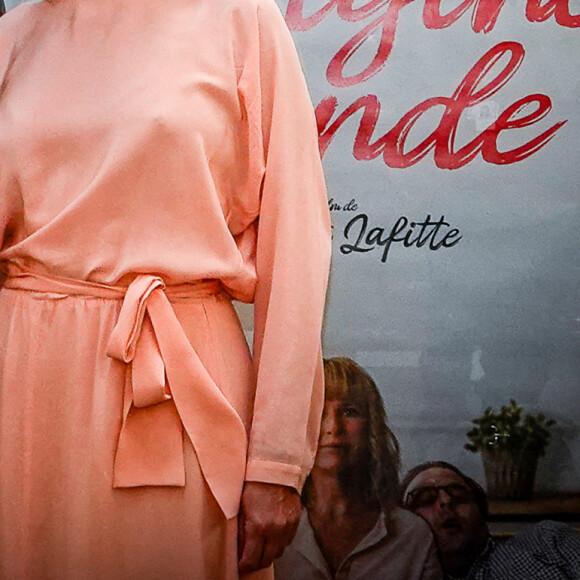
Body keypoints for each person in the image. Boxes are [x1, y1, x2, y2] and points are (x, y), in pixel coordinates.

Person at [0, 0, 331, 578]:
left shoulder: (240, 18)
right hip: (23, 381)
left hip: (178, 386)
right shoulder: (14, 34)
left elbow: (296, 242)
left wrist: (277, 461)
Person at [274, 357, 443, 579]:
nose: (332, 427)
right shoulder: (269, 527)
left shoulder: (411, 536)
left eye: (349, 412)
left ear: (372, 427)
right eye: (318, 412)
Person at [401, 461, 580, 579]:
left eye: (459, 495)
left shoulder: (548, 542)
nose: (446, 501)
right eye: (425, 499)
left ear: (480, 509)